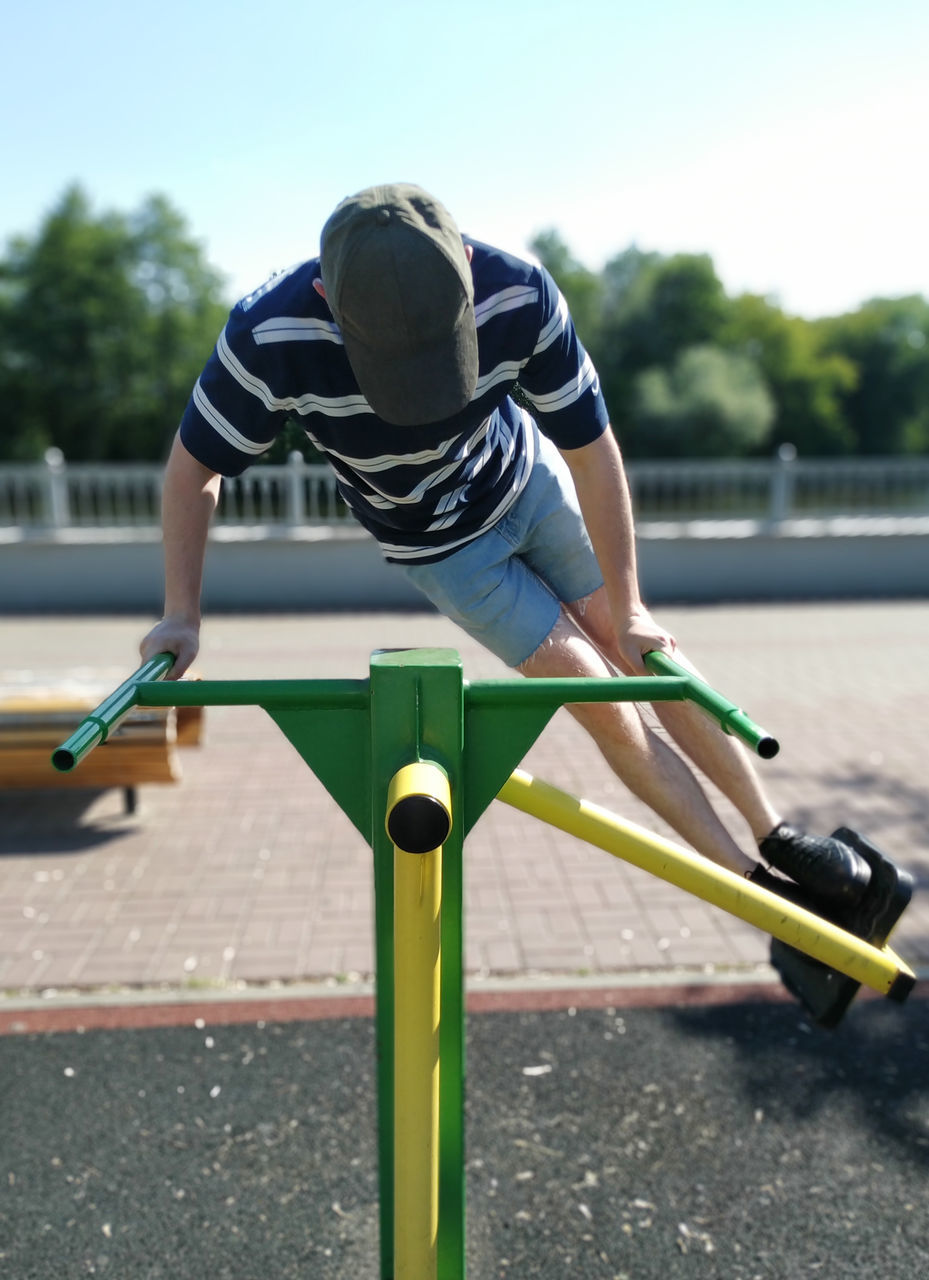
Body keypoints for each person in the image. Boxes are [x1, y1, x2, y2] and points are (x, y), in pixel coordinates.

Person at [140, 181, 874, 921]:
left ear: (464, 264)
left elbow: (590, 450)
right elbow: (192, 471)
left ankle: (775, 834)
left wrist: (632, 605)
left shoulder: (517, 293)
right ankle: (749, 886)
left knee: (636, 651)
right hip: (439, 547)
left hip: (526, 483)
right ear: (327, 296)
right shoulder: (267, 336)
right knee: (599, 697)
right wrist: (182, 615)